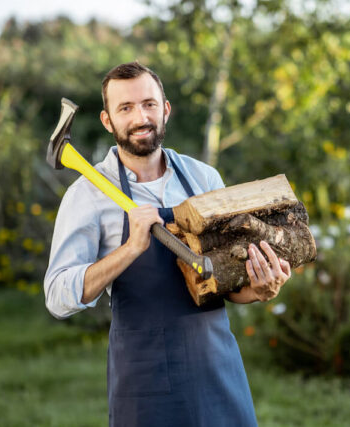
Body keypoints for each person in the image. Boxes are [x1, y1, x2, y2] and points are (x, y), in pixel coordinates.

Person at [44, 61, 291, 426]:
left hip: (216, 369)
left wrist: (259, 289)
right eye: (125, 108)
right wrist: (129, 250)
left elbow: (222, 280)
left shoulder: (203, 178)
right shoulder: (88, 195)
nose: (140, 117)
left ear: (166, 110)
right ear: (107, 121)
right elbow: (58, 296)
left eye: (148, 104)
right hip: (145, 382)